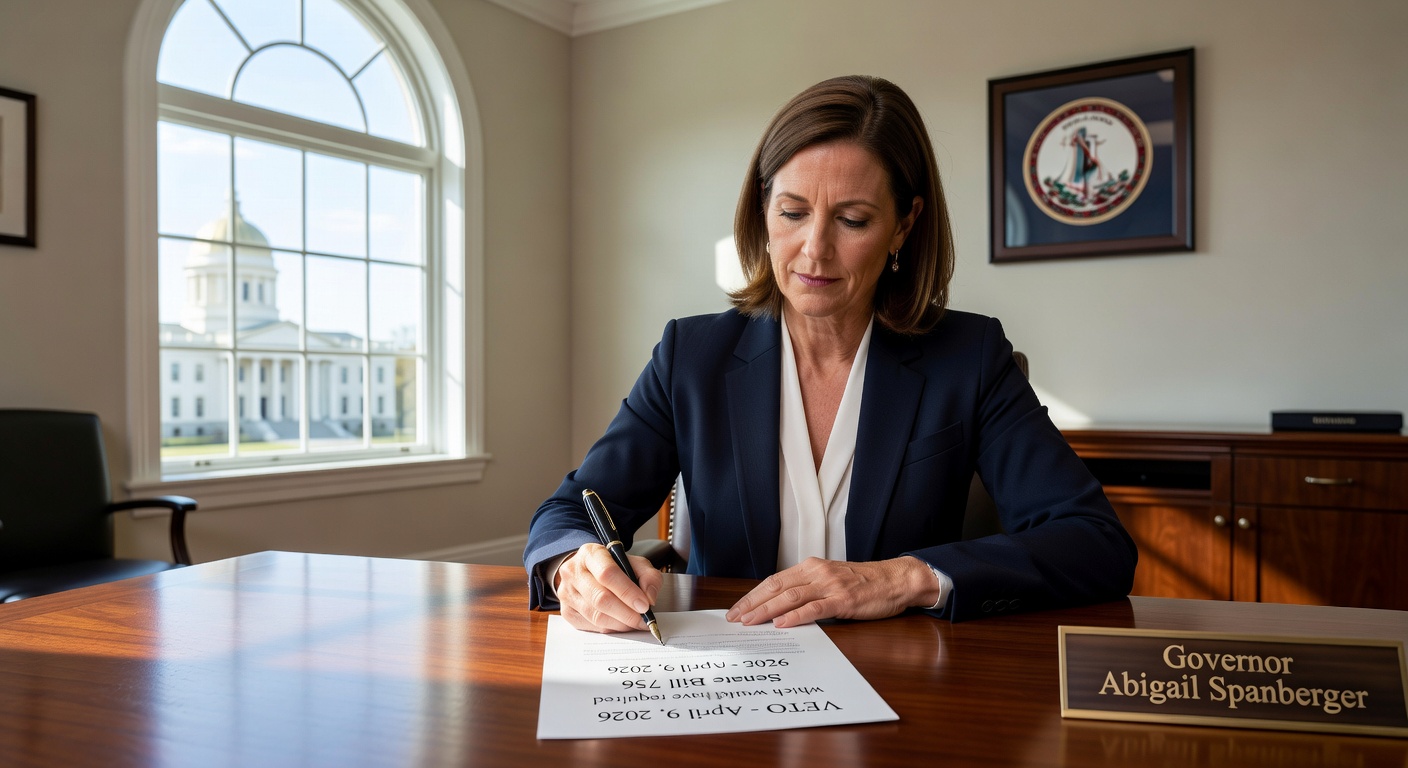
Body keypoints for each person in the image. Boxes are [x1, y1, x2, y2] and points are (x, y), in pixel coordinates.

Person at [524, 75, 1136, 632]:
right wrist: (571, 566)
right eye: (792, 212)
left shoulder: (968, 357)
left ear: (903, 225)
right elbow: (567, 513)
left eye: (853, 220)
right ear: (763, 211)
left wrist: (903, 578)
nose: (814, 250)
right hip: (728, 675)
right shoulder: (691, 355)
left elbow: (1096, 544)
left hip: (904, 678)